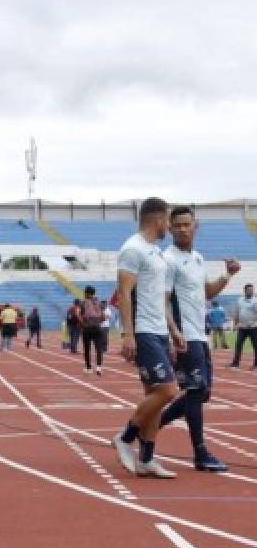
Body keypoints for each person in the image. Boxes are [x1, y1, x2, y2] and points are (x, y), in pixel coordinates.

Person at [147, 206, 235, 472]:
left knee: (203, 392)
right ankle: (200, 453)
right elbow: (162, 299)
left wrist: (227, 275)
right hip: (185, 336)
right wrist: (174, 333)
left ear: (195, 226)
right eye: (178, 225)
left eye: (188, 224)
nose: (183, 229)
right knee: (196, 392)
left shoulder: (197, 258)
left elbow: (206, 293)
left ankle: (142, 428)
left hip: (200, 334)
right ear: (171, 229)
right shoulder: (168, 260)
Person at [110, 198, 180, 479]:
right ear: (158, 220)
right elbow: (124, 294)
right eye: (168, 222)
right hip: (144, 331)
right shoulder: (132, 249)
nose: (171, 228)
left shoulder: (155, 252)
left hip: (159, 331)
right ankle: (125, 438)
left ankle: (147, 459)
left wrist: (172, 331)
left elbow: (159, 297)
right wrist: (128, 334)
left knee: (156, 396)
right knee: (168, 390)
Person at [79, 286, 107, 375]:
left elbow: (81, 315)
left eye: (85, 292)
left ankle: (88, 368)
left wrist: (82, 323)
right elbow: (103, 318)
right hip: (98, 328)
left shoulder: (83, 303)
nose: (84, 294)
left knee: (87, 349)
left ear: (87, 293)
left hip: (87, 328)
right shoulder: (99, 303)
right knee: (99, 349)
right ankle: (98, 367)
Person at [230, 284, 257, 368]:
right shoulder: (240, 300)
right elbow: (236, 313)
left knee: (255, 346)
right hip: (242, 327)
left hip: (253, 327)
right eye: (249, 290)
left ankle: (256, 364)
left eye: (252, 290)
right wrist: (235, 324)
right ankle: (235, 363)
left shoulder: (255, 301)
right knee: (238, 344)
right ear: (245, 291)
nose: (251, 291)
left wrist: (254, 323)